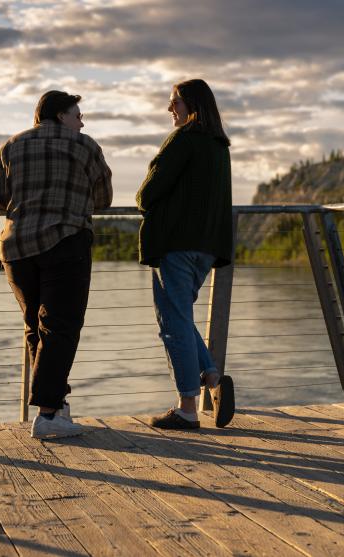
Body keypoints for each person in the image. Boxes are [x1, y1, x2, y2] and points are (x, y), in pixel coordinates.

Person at [0, 90, 113, 439]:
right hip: (65, 242)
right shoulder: (85, 145)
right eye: (77, 115)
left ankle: (55, 408)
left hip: (17, 248)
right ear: (60, 115)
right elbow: (104, 198)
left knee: (36, 327)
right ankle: (48, 415)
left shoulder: (11, 146)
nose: (82, 122)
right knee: (60, 328)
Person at [136, 79, 235, 430]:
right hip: (207, 247)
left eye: (174, 101)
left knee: (173, 324)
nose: (169, 109)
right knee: (179, 316)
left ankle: (187, 408)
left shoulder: (183, 139)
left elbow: (147, 195)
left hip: (175, 244)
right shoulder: (219, 146)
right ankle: (211, 378)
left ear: (190, 104)